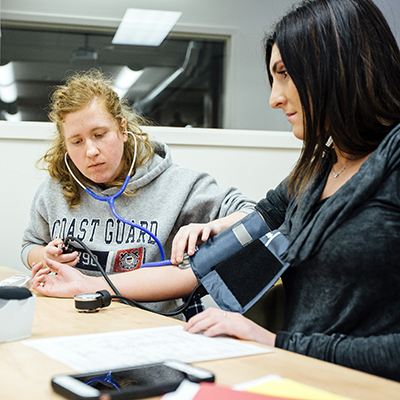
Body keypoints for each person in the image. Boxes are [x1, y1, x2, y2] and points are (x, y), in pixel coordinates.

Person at [30, 0, 400, 381]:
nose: (274, 98)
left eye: (285, 73)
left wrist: (275, 342)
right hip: (300, 375)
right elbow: (207, 262)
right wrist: (219, 229)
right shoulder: (316, 170)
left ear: (338, 65)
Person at [23, 69, 255, 319]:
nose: (91, 151)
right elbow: (29, 245)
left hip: (147, 327)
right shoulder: (54, 190)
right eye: (76, 142)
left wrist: (213, 227)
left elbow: (255, 214)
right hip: (71, 322)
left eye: (99, 135)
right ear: (65, 146)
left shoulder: (179, 185)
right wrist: (47, 258)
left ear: (122, 129)